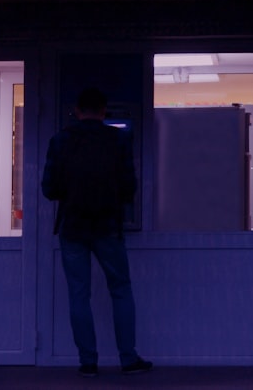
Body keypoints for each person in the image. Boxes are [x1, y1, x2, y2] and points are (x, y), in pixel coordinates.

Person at [41, 87, 153, 377]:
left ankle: (88, 362)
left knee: (79, 294)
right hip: (108, 226)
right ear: (104, 112)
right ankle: (128, 358)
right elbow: (129, 187)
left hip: (73, 227)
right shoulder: (119, 139)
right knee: (121, 289)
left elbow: (49, 188)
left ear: (77, 111)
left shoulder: (60, 140)